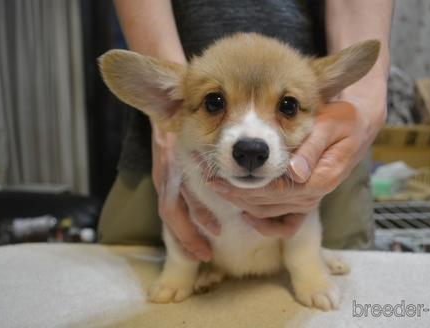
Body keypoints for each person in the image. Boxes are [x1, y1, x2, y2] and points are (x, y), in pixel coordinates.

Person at [98, 0, 393, 263]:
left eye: (287, 107)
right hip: (158, 149)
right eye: (215, 103)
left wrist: (361, 103)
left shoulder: (315, 90)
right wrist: (171, 123)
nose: (251, 141)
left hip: (328, 153)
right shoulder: (179, 102)